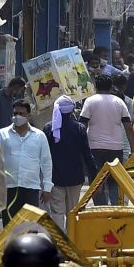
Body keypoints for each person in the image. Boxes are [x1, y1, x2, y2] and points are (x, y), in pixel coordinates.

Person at [43, 96, 98, 228]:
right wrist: (94, 175)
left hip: (55, 177)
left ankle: (59, 243)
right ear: (72, 110)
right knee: (72, 212)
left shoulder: (48, 128)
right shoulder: (79, 128)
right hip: (75, 178)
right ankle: (71, 242)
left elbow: (44, 155)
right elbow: (87, 154)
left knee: (57, 212)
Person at [80, 74, 133, 205]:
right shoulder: (119, 102)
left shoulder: (90, 101)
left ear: (96, 86)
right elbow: (128, 127)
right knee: (115, 179)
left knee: (97, 180)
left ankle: (100, 208)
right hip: (116, 148)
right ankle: (116, 207)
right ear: (111, 87)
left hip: (94, 147)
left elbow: (82, 125)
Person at [0, 101, 52, 223]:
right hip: (9, 188)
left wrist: (47, 188)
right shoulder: (2, 134)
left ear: (28, 116)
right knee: (9, 228)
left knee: (30, 227)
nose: (17, 116)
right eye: (15, 113)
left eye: (21, 113)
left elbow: (46, 163)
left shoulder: (39, 136)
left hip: (30, 188)